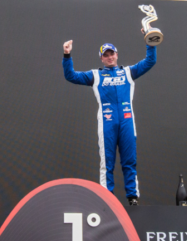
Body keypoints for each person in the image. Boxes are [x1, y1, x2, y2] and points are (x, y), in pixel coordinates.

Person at [62, 40, 156, 205]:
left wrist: (150, 42)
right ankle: (107, 199)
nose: (110, 57)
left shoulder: (128, 72)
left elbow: (150, 61)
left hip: (127, 122)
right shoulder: (96, 75)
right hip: (107, 124)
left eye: (112, 53)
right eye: (106, 55)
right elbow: (71, 76)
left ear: (117, 55)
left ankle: (133, 198)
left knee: (129, 161)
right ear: (101, 58)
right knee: (107, 163)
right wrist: (67, 54)